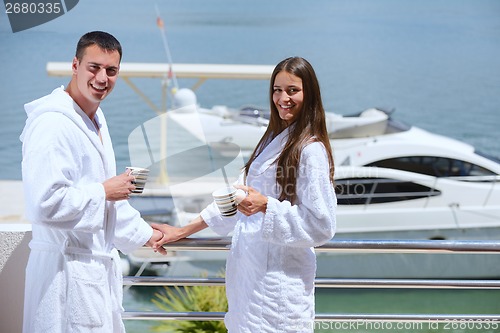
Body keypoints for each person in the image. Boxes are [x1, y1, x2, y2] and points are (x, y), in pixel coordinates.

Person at [152, 56, 337, 332]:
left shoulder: (310, 151)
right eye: (277, 90)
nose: (282, 98)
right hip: (249, 285)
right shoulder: (271, 139)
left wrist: (267, 207)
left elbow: (322, 225)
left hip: (280, 292)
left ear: (309, 93)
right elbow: (236, 199)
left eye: (292, 90)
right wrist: (183, 230)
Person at [20, 31, 165, 333]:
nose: (102, 78)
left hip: (89, 275)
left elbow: (108, 205)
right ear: (75, 65)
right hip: (62, 278)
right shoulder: (53, 124)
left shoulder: (96, 118)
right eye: (94, 67)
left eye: (111, 71)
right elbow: (45, 205)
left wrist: (146, 233)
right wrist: (103, 191)